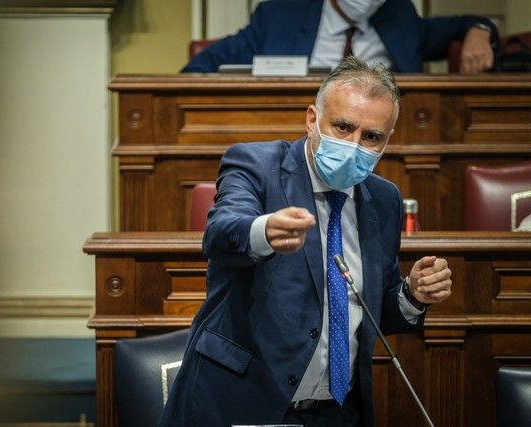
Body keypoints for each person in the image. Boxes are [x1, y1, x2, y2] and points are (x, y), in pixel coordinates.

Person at [159, 57, 453, 427]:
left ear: (387, 140)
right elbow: (220, 232)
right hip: (239, 403)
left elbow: (369, 308)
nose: (354, 144)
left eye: (371, 137)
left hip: (335, 413)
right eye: (343, 127)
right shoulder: (256, 165)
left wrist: (413, 294)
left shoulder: (384, 199)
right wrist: (263, 231)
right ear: (312, 119)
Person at [182, 0, 498, 74]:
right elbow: (203, 67)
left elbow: (466, 23)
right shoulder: (280, 16)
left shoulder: (399, 17)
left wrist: (479, 30)